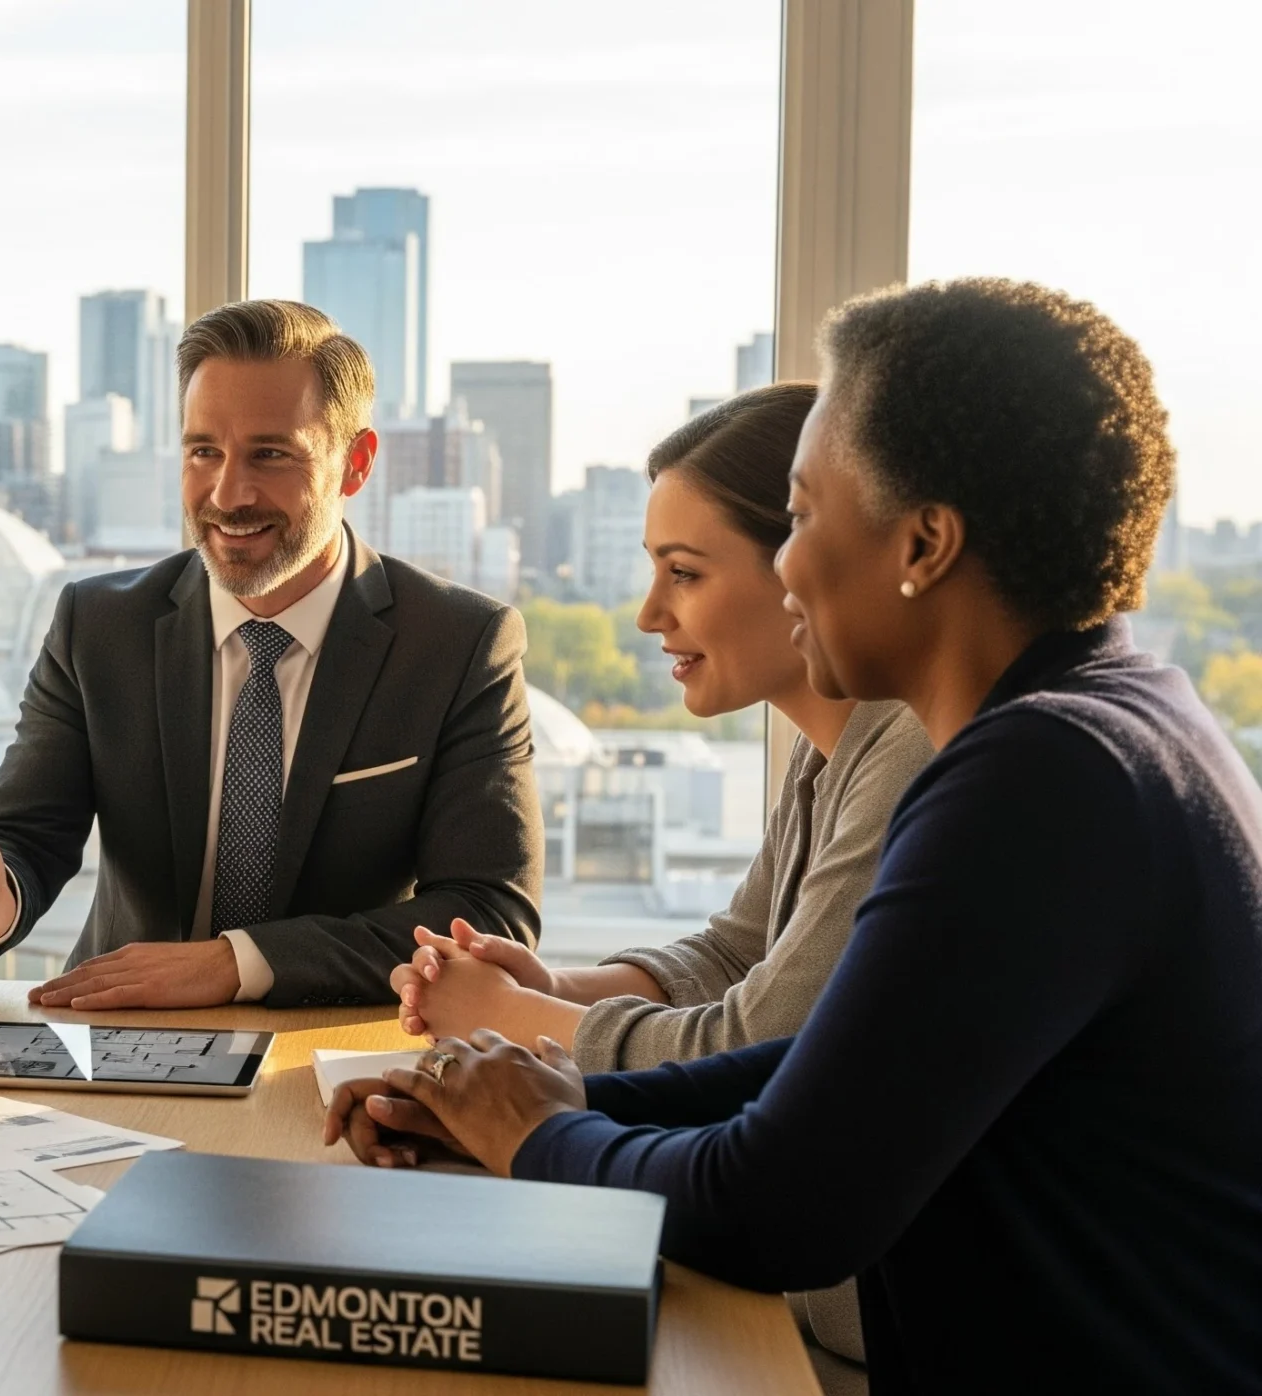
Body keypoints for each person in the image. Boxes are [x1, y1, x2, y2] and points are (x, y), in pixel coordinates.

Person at [326, 278, 1262, 1391]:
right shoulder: (1106, 721)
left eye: (805, 514)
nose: (786, 564)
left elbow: (776, 1209)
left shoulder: (1039, 778)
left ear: (922, 543)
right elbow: (839, 1076)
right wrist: (514, 1094)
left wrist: (531, 1130)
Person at [387, 382, 929, 1381]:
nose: (647, 614)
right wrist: (556, 995)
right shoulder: (831, 751)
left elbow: (764, 1038)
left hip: (863, 1332)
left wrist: (515, 1024)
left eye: (683, 572)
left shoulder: (904, 755)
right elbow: (734, 952)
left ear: (804, 561)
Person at [0, 299, 543, 1008]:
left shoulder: (458, 645)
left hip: (334, 1047)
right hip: (118, 1038)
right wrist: (1, 893)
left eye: (271, 454)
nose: (229, 493)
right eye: (204, 451)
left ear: (355, 464)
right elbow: (28, 832)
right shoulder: (101, 625)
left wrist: (238, 964)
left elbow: (489, 914)